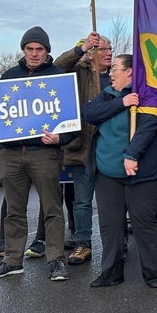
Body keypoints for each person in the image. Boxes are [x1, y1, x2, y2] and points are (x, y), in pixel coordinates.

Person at [0, 27, 72, 281]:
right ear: (23, 50)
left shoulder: (59, 77)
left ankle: (55, 260)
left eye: (39, 49)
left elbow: (75, 122)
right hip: (9, 154)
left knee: (52, 209)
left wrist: (60, 138)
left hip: (44, 154)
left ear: (47, 51)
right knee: (14, 210)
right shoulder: (8, 76)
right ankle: (12, 260)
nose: (34, 54)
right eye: (29, 49)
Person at [83, 53, 157, 288]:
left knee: (143, 224)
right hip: (108, 173)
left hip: (142, 174)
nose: (110, 73)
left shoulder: (151, 95)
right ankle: (111, 273)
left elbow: (148, 128)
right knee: (110, 226)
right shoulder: (108, 94)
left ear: (130, 72)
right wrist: (122, 103)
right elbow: (89, 114)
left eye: (115, 69)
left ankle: (154, 274)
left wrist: (131, 154)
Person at [54, 31, 110, 264]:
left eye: (110, 50)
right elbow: (57, 67)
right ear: (91, 55)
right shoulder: (77, 74)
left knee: (111, 202)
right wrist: (83, 46)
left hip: (109, 149)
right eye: (103, 50)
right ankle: (83, 244)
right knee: (82, 202)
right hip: (82, 149)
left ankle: (116, 243)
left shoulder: (118, 76)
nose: (109, 54)